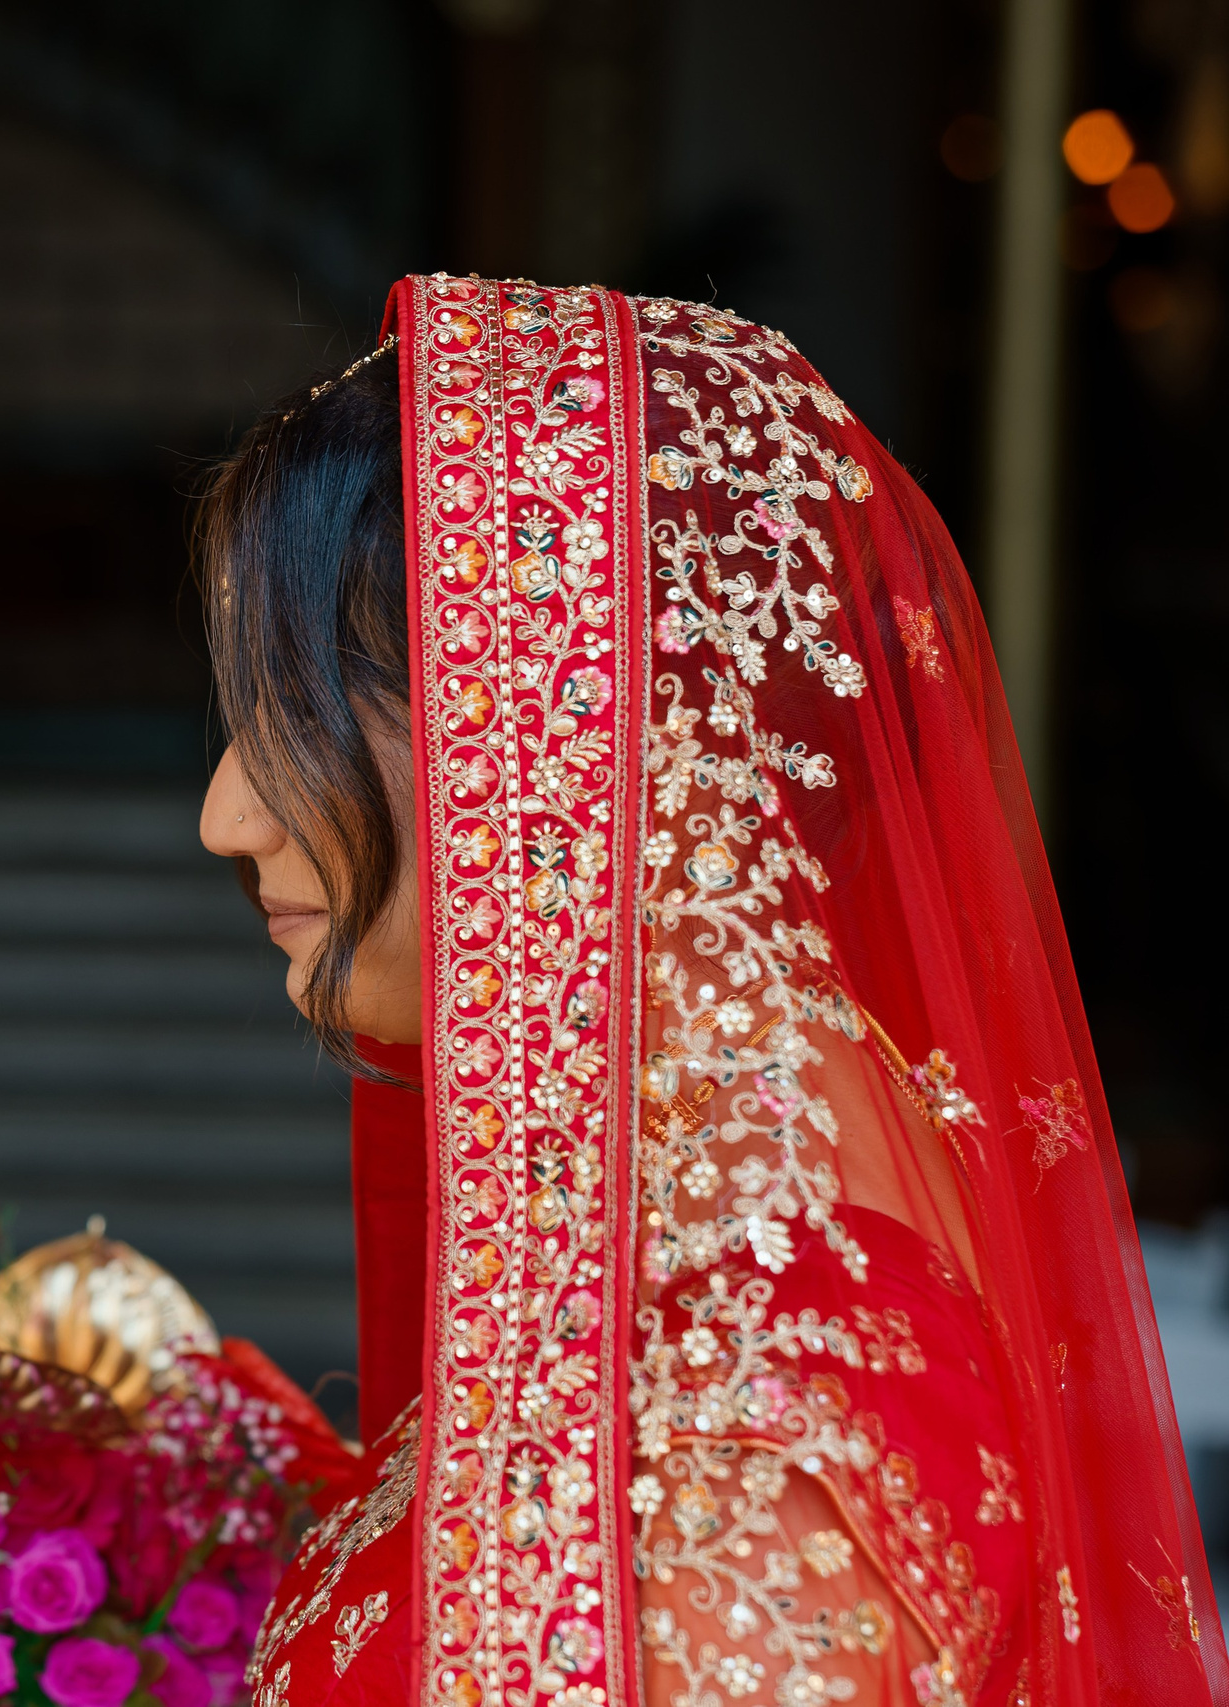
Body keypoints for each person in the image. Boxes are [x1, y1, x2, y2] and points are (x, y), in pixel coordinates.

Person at [197, 275, 1224, 1705]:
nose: (226, 816)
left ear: (599, 728)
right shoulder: (662, 1256)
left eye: (293, 715)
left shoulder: (776, 1421)